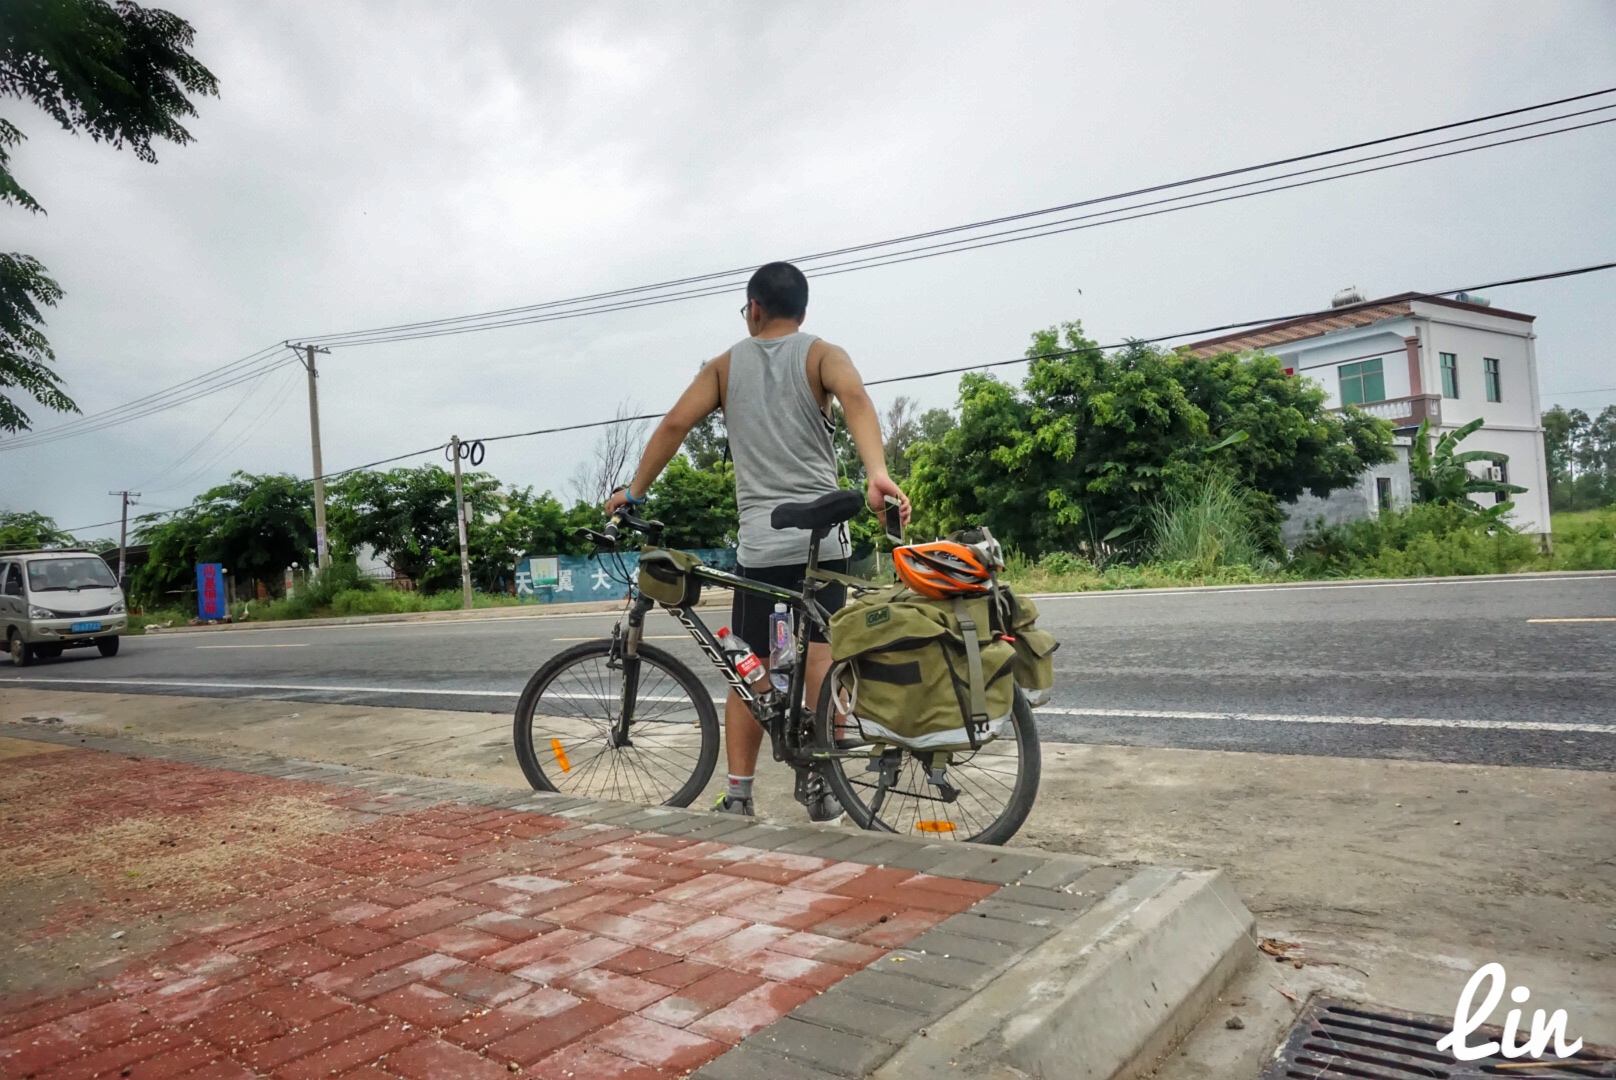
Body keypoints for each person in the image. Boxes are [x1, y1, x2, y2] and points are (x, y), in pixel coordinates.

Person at [605, 260, 911, 818]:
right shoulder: (822, 353)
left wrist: (635, 491)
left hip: (764, 546)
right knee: (821, 657)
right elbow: (858, 400)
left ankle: (740, 794)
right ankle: (826, 785)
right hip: (826, 540)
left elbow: (674, 425)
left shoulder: (724, 367)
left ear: (753, 308)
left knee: (750, 669)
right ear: (802, 311)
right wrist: (876, 473)